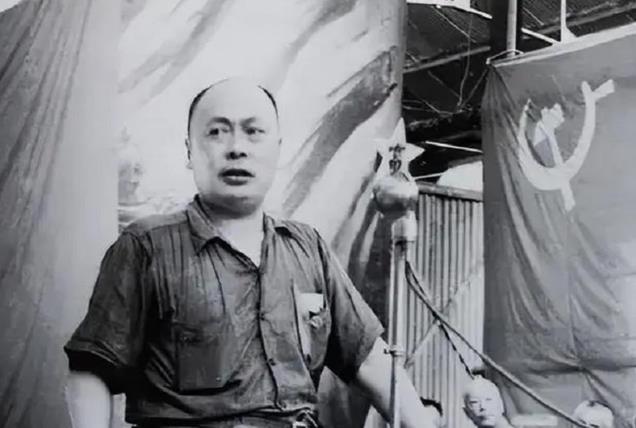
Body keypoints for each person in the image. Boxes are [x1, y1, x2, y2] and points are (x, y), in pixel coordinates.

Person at [64, 78, 439, 428]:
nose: (236, 147)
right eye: (217, 132)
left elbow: (368, 358)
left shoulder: (307, 249)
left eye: (253, 131)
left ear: (277, 149)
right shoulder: (146, 247)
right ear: (190, 151)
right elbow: (91, 371)